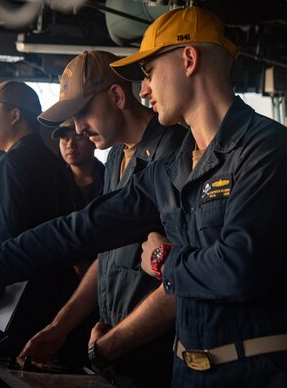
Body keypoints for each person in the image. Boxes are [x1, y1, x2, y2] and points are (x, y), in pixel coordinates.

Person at [0, 7, 287, 388]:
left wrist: (162, 262)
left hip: (262, 373)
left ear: (189, 60)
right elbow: (77, 231)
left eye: (150, 72)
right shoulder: (176, 168)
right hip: (191, 373)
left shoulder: (268, 151)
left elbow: (240, 269)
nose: (143, 89)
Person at [21, 51, 185, 387]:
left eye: (82, 113)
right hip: (113, 351)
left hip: (155, 357)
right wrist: (60, 326)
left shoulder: (173, 152)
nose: (78, 129)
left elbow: (183, 280)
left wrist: (110, 346)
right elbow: (106, 255)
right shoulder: (113, 158)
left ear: (116, 95)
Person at [0, 81, 79, 360]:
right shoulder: (53, 164)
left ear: (15, 116)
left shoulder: (12, 163)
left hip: (2, 310)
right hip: (40, 303)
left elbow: (4, 236)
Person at [52, 118, 105, 279]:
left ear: (92, 138)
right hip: (62, 271)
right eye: (64, 138)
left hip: (105, 269)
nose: (70, 144)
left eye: (78, 137)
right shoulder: (52, 182)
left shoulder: (112, 177)